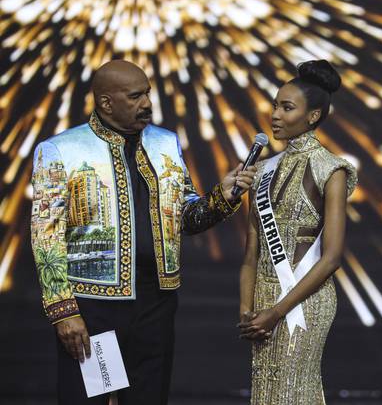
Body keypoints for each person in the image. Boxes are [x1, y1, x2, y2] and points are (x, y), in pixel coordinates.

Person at [30, 59, 256, 404]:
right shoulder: (60, 150)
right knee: (91, 398)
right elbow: (46, 237)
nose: (147, 104)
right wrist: (64, 310)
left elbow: (184, 217)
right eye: (136, 96)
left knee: (149, 398)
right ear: (106, 102)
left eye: (148, 94)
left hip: (156, 302)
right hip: (95, 306)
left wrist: (221, 197)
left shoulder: (166, 143)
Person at [237, 60, 358, 404]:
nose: (275, 114)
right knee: (266, 394)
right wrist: (247, 310)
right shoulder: (260, 170)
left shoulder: (330, 169)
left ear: (313, 116)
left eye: (287, 107)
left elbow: (332, 256)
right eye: (275, 105)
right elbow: (251, 254)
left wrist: (275, 312)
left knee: (294, 390)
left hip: (305, 299)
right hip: (260, 299)